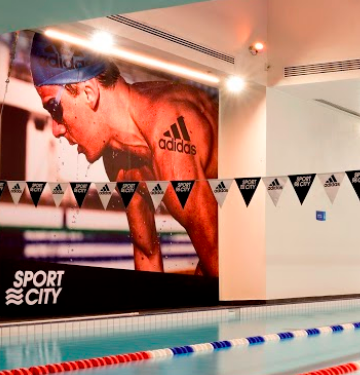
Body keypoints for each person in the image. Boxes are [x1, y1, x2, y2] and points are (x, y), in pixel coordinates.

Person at [29, 32, 219, 277]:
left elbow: (222, 261)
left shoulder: (167, 132)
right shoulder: (119, 158)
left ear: (89, 93)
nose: (56, 130)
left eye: (55, 109)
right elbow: (146, 251)